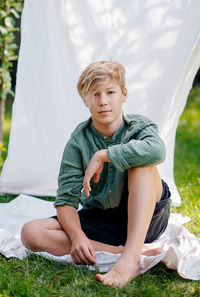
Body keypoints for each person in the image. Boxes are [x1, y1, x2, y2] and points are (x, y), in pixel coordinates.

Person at [21, 61, 171, 288]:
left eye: (110, 92)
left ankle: (130, 259)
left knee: (142, 165)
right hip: (103, 219)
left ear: (124, 94)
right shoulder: (78, 141)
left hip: (147, 219)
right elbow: (66, 201)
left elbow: (158, 151)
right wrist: (77, 236)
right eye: (95, 94)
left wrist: (104, 155)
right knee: (30, 233)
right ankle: (123, 253)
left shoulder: (139, 127)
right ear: (85, 100)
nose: (103, 101)